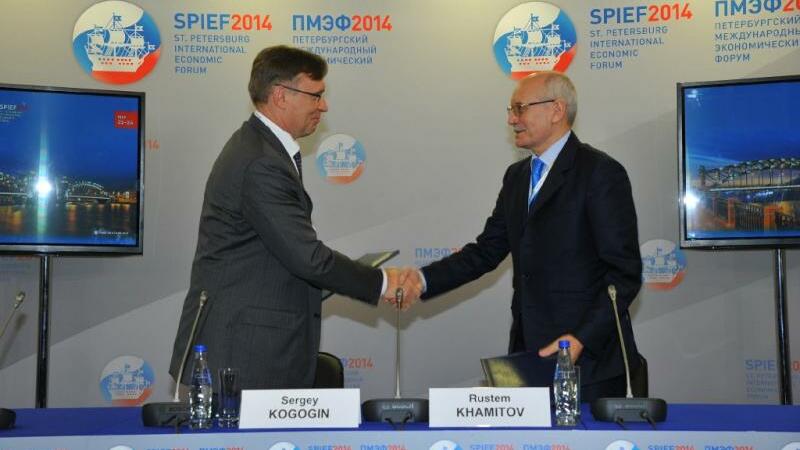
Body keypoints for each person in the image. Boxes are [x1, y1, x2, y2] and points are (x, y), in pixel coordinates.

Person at [169, 45, 414, 390]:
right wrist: (383, 283)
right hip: (245, 355)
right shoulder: (261, 162)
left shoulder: (261, 149)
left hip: (250, 348)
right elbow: (307, 258)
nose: (323, 106)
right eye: (316, 96)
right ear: (281, 96)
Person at [395, 71, 642, 402]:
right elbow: (486, 251)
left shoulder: (600, 172)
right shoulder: (516, 176)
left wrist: (581, 339)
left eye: (520, 108)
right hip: (528, 358)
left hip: (589, 365)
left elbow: (624, 274)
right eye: (511, 110)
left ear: (556, 110)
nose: (512, 119)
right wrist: (422, 280)